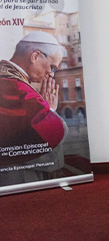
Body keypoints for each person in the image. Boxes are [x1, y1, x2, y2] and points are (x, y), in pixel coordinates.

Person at [0, 32, 67, 184]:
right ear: (35, 56)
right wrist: (49, 111)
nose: (51, 74)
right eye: (52, 67)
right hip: (14, 178)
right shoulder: (17, 88)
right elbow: (48, 131)